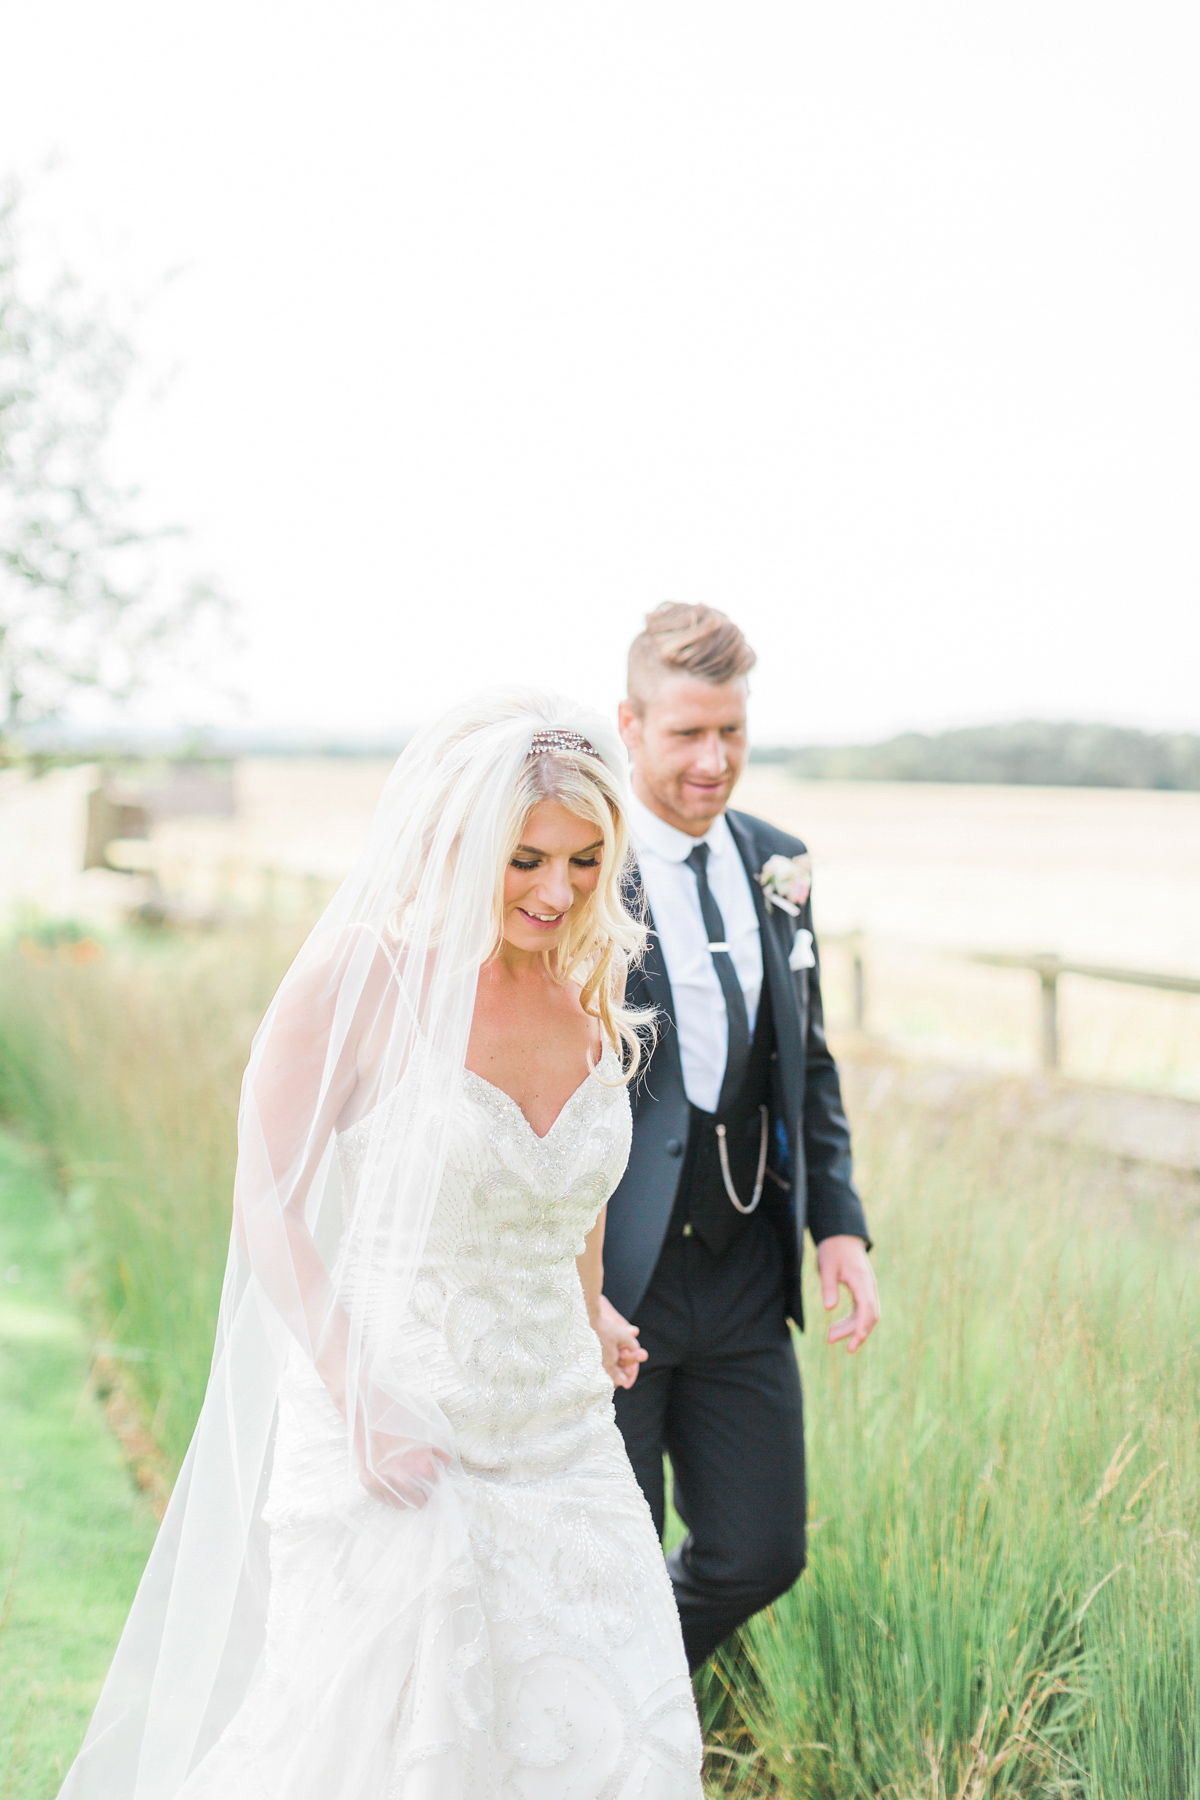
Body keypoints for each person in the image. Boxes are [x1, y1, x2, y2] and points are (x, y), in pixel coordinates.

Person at [60, 692, 703, 1800]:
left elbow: (569, 1195)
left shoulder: (587, 993)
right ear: (454, 847)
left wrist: (591, 1304)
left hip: (563, 1436)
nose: (558, 892)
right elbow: (267, 1199)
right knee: (381, 1754)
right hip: (399, 1422)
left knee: (618, 1741)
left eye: (587, 863)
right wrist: (364, 1399)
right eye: (526, 860)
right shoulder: (360, 984)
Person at [593, 604, 880, 1673]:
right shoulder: (581, 865)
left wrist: (839, 1229)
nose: (715, 762)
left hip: (750, 1273)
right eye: (687, 735)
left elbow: (807, 1060)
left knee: (760, 1551)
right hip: (617, 1281)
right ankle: (605, 1756)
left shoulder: (780, 863)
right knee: (608, 1561)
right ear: (629, 724)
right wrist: (570, 1284)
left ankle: (616, 1705)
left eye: (734, 734)